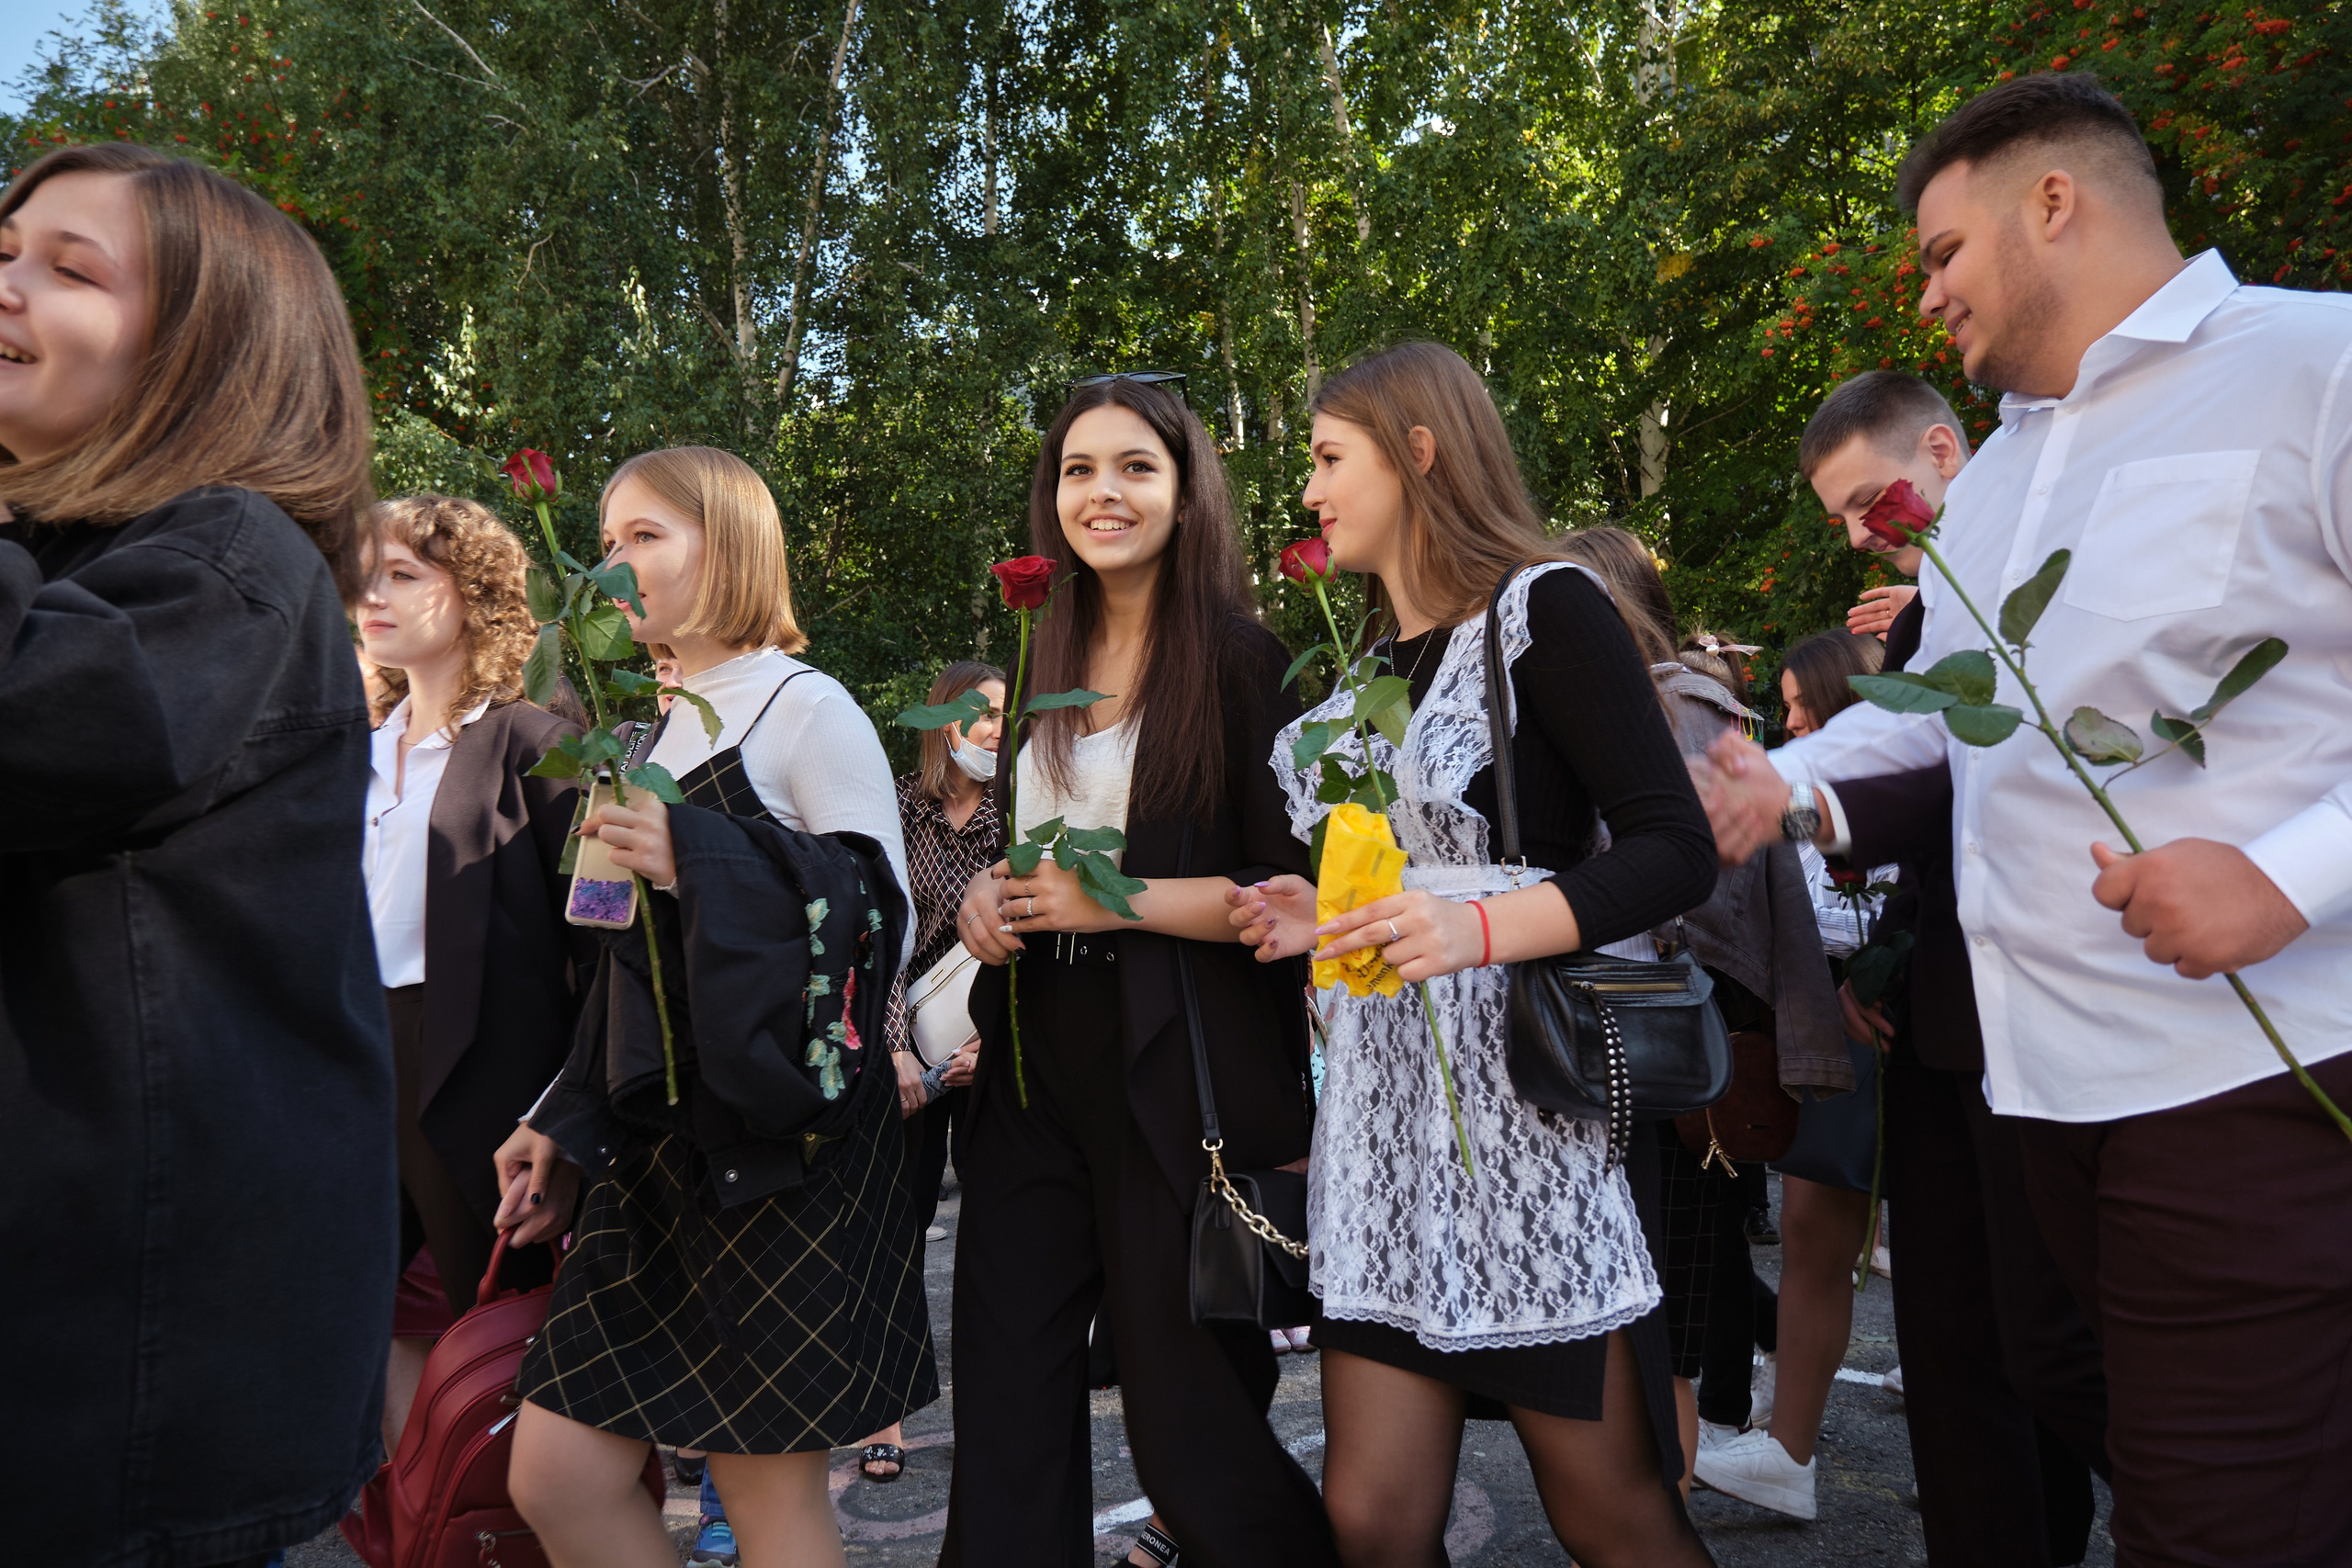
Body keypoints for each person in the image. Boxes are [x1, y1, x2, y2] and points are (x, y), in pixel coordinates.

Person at [1696, 73, 2352, 1565]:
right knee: (2063, 1398)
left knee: (2214, 1512)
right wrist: (1775, 784)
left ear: (2054, 200)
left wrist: (2287, 875)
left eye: (1941, 253)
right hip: (2034, 1099)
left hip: (2242, 1073)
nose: (1924, 296)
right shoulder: (1991, 484)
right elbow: (1939, 713)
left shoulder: (2319, 365)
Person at [1231, 342, 1719, 1567]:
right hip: (1387, 1137)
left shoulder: (1546, 608)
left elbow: (1674, 850)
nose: (1308, 490)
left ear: (1418, 453)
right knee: (1374, 1519)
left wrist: (1474, 923)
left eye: (1329, 457)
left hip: (1525, 1125)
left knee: (1610, 1511)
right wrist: (1317, 914)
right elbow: (1393, 888)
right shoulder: (1364, 674)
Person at [0, 143, 392, 1567]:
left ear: (203, 353)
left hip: (127, 1370)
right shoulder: (72, 554)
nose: (8, 285)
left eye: (68, 266)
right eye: (5, 250)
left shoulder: (230, 558)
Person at [492, 445, 933, 1568]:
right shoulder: (631, 733)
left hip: (781, 1158)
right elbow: (615, 971)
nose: (613, 570)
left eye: (646, 538)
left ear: (728, 544)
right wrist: (561, 1115)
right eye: (604, 547)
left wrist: (697, 856)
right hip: (649, 1156)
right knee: (554, 1472)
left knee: (768, 1497)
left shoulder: (803, 706)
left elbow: (881, 922)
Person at [941, 374, 1336, 1566]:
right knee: (1006, 1395)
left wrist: (1102, 900)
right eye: (1078, 468)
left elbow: (1289, 903)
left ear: (1183, 489)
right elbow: (1019, 857)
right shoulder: (1039, 660)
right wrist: (982, 898)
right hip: (1025, 1058)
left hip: (1175, 1066)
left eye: (1133, 467)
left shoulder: (1240, 660)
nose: (1101, 491)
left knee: (1187, 1418)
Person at [1773, 369, 2109, 1566]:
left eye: (1868, 499)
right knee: (1964, 1349)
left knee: (2049, 1342)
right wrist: (1883, 956)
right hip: (1941, 1011)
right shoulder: (1922, 614)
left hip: (2058, 1010)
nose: (1858, 532)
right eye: (1840, 519)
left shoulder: (2055, 559)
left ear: (1943, 452)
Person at [1556, 528, 1851, 1507]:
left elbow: (1683, 878)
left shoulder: (1674, 708)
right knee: (1663, 1289)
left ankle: (1662, 1515)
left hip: (1663, 1024)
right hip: (1654, 1019)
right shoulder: (1658, 700)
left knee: (1663, 1301)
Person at [354, 494, 587, 1454]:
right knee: (358, 1332)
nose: (372, 592)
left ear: (476, 593)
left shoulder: (534, 739)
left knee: (506, 1339)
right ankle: (421, 1531)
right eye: (363, 571)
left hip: (482, 1076)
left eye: (403, 573)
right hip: (352, 1058)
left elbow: (595, 947)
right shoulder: (350, 753)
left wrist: (567, 1118)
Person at [854, 658, 1005, 1485]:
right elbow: (870, 933)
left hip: (995, 1051)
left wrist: (1003, 1039)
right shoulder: (896, 809)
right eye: (981, 714)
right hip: (903, 1048)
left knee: (1002, 1236)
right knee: (893, 1231)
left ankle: (996, 1407)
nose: (996, 729)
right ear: (942, 722)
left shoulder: (1022, 811)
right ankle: (885, 1414)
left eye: (1006, 717)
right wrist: (896, 1047)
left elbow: (1040, 931)